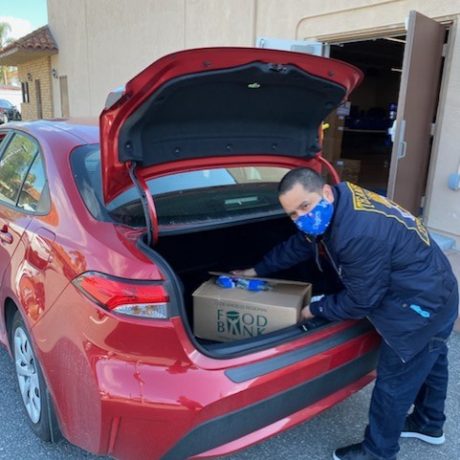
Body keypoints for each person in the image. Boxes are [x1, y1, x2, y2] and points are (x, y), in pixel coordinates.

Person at [233, 167, 458, 460]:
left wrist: (313, 309)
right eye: (293, 215)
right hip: (437, 291)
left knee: (394, 385)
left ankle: (378, 452)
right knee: (433, 358)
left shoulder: (356, 233)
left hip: (418, 309)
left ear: (325, 192)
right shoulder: (342, 198)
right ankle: (429, 424)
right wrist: (255, 271)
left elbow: (362, 300)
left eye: (305, 206)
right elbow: (299, 246)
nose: (302, 218)